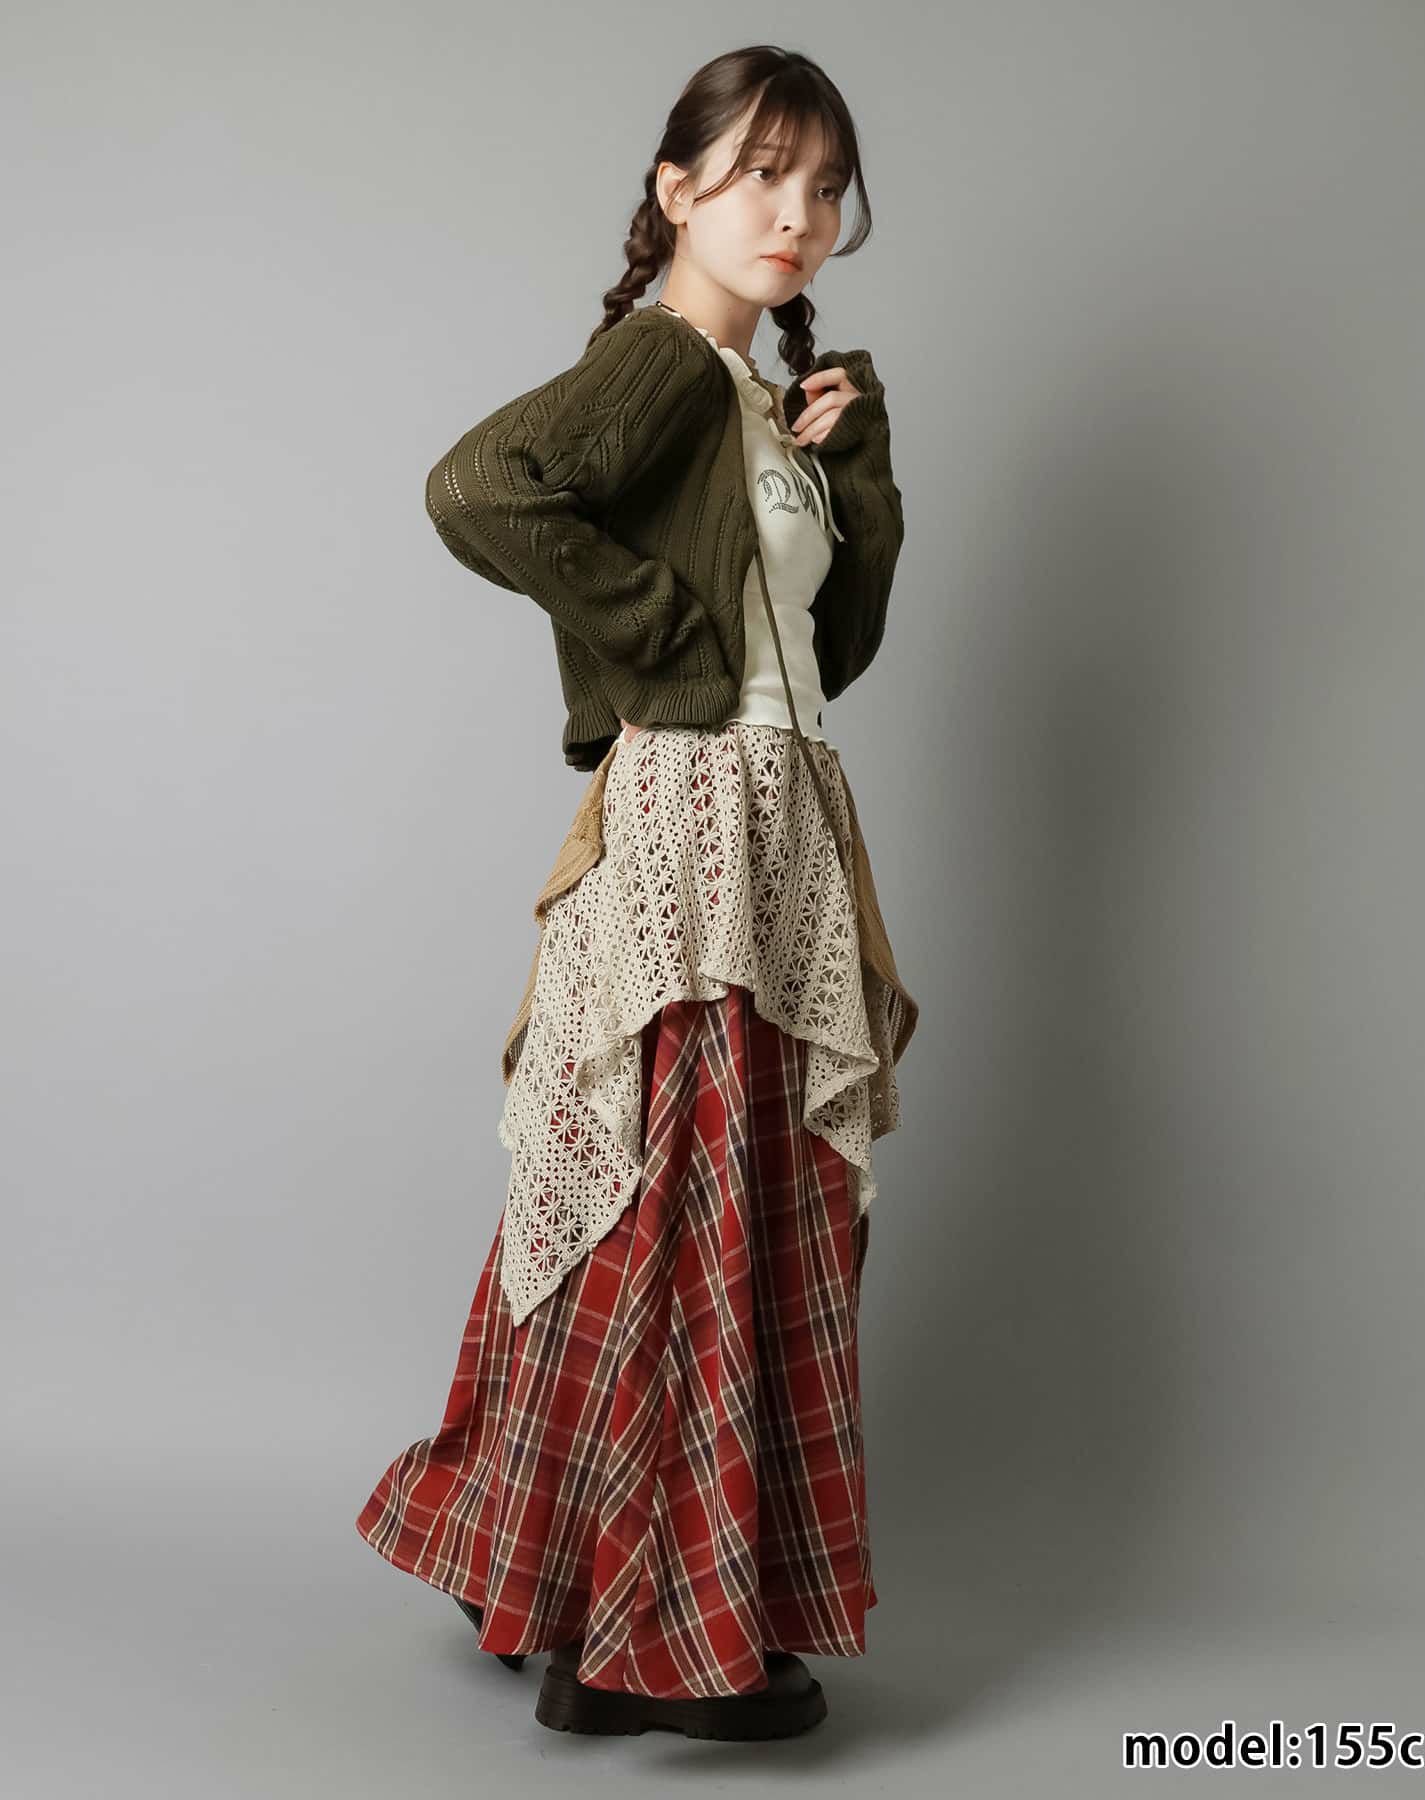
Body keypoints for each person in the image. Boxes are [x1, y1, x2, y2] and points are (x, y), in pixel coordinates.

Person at [354, 43, 919, 1742]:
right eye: (763, 173)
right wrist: (656, 644)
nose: (799, 214)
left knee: (695, 1190)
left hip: (781, 817)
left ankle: (557, 1576)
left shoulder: (751, 393)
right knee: (682, 1194)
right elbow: (476, 488)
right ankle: (640, 1638)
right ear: (679, 188)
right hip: (697, 822)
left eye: (825, 187)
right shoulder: (667, 359)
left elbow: (831, 654)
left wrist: (857, 468)